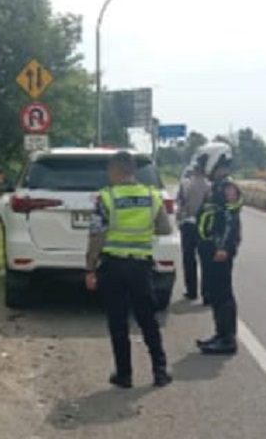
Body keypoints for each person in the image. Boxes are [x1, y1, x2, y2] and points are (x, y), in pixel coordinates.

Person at [85, 151, 174, 388]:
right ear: (133, 170)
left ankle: (124, 374)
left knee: (118, 321)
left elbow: (96, 235)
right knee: (147, 319)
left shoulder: (106, 197)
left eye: (109, 170)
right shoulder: (152, 196)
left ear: (116, 170)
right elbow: (165, 229)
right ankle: (160, 371)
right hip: (141, 266)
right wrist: (142, 231)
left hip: (114, 265)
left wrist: (90, 268)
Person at [193, 143, 243, 355]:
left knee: (223, 293)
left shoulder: (227, 187)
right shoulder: (216, 186)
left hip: (219, 250)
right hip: (209, 249)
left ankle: (227, 338)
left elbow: (231, 220)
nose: (203, 166)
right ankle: (220, 333)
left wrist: (223, 247)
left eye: (205, 161)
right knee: (214, 292)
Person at [176, 161, 212, 304]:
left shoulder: (185, 184)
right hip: (204, 226)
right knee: (206, 260)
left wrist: (179, 219)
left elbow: (179, 202)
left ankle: (192, 292)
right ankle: (207, 294)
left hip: (188, 224)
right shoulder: (210, 186)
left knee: (189, 258)